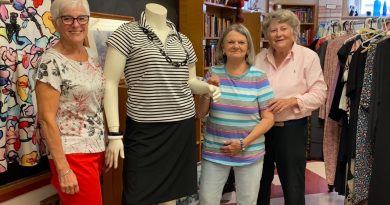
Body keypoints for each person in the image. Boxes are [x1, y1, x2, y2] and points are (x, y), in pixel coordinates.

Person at [103, 3, 220, 205]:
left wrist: (206, 88)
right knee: (136, 195)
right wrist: (114, 133)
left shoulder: (183, 40)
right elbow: (110, 82)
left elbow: (189, 81)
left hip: (180, 128)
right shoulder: (126, 33)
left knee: (171, 197)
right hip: (144, 129)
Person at [35, 0, 105, 204]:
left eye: (82, 18)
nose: (76, 24)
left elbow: (95, 106)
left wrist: (104, 142)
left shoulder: (91, 56)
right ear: (56, 22)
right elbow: (46, 119)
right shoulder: (51, 62)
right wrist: (64, 169)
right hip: (72, 155)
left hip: (94, 151)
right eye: (68, 18)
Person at [254, 9, 327, 205]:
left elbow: (320, 94)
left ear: (293, 31)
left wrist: (292, 101)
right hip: (260, 130)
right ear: (267, 35)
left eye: (283, 28)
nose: (278, 34)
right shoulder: (259, 58)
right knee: (258, 182)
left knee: (293, 185)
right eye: (272, 30)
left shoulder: (308, 57)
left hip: (292, 131)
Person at [197, 24, 275, 205]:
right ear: (222, 47)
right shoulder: (213, 73)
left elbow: (269, 118)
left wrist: (243, 143)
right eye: (230, 42)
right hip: (215, 151)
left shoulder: (259, 77)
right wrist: (208, 91)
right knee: (207, 200)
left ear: (248, 47)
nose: (236, 46)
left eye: (241, 42)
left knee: (247, 201)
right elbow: (200, 113)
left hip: (249, 152)